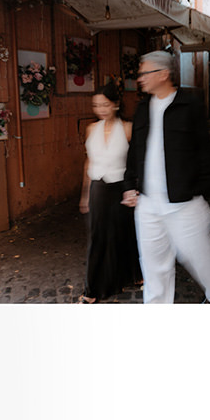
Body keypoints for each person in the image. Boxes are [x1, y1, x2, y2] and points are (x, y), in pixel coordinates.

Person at [121, 51, 210, 304]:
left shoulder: (190, 105)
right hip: (147, 205)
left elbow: (206, 152)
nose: (140, 79)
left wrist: (198, 191)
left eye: (144, 73)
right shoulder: (143, 109)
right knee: (154, 266)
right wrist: (129, 186)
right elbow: (135, 152)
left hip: (185, 203)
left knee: (199, 259)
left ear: (163, 74)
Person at [78, 89, 138, 303]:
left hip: (121, 187)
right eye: (96, 105)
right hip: (98, 188)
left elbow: (136, 161)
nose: (100, 109)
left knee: (125, 233)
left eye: (105, 104)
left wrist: (135, 188)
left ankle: (134, 274)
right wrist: (85, 194)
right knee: (98, 237)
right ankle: (92, 289)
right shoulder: (91, 128)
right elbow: (89, 161)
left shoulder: (128, 128)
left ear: (116, 104)